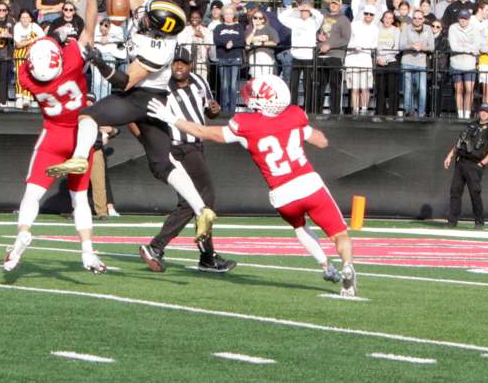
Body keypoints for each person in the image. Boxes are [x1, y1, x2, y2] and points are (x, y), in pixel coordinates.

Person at [48, 0, 218, 243]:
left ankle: (79, 158)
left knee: (88, 115)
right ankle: (202, 211)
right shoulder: (155, 25)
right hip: (152, 100)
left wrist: (101, 65)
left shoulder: (160, 49)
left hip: (143, 98)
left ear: (159, 28)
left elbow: (125, 82)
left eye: (148, 18)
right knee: (163, 164)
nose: (142, 15)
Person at [147, 74, 356, 295]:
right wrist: (302, 132)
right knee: (338, 234)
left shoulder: (246, 124)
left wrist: (171, 119)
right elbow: (322, 141)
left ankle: (325, 265)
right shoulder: (295, 114)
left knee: (299, 226)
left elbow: (203, 131)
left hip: (282, 194)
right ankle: (347, 266)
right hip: (309, 184)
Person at [2, 0, 108, 273]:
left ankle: (23, 232)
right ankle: (87, 252)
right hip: (77, 135)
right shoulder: (71, 62)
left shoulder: (30, 79)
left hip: (52, 135)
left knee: (32, 194)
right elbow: (88, 30)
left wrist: (51, 37)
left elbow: (34, 56)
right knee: (79, 198)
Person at [139, 47, 236, 273]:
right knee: (202, 199)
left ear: (191, 65)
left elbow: (208, 110)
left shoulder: (199, 81)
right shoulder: (162, 86)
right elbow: (141, 117)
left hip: (196, 144)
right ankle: (171, 249)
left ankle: (198, 254)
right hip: (179, 147)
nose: (178, 67)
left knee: (193, 202)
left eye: (183, 63)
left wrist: (214, 110)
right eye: (175, 63)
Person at [444, 102, 488, 229]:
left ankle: (479, 222)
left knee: (475, 193)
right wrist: (450, 155)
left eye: (486, 111)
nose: (483, 113)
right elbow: (460, 142)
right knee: (455, 192)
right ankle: (452, 221)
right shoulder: (472, 125)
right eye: (481, 111)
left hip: (475, 164)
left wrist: (481, 163)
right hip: (461, 162)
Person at [279, 2, 322, 111]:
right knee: (294, 84)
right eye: (302, 11)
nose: (303, 12)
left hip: (308, 57)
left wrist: (310, 8)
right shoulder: (295, 21)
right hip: (296, 56)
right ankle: (293, 108)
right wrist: (295, 8)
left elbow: (320, 16)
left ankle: (307, 108)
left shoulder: (314, 22)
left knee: (308, 84)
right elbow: (281, 17)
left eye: (305, 11)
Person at [345, 3, 380, 115]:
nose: (368, 16)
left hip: (365, 59)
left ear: (374, 16)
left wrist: (364, 47)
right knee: (355, 88)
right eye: (366, 13)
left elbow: (374, 45)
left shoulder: (375, 28)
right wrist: (353, 47)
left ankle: (364, 109)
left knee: (365, 87)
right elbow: (348, 41)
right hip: (353, 58)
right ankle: (355, 110)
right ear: (363, 14)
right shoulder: (354, 24)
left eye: (371, 14)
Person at [400, 11, 434, 117]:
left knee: (422, 89)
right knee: (408, 89)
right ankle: (408, 111)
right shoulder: (407, 28)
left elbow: (432, 47)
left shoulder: (428, 29)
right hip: (407, 62)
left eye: (420, 18)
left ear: (423, 19)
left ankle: (421, 112)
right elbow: (401, 45)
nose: (417, 20)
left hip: (421, 63)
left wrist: (422, 47)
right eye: (415, 18)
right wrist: (412, 46)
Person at [213, 4, 246, 112]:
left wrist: (233, 43)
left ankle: (232, 109)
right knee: (224, 85)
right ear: (223, 15)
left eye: (230, 13)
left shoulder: (239, 27)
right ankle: (224, 109)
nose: (228, 16)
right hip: (223, 57)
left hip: (235, 57)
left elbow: (242, 41)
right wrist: (225, 43)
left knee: (232, 86)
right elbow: (216, 40)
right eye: (226, 14)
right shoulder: (219, 27)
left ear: (234, 15)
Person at [246, 8, 280, 77]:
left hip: (266, 55)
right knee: (255, 78)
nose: (257, 20)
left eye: (260, 18)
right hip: (253, 55)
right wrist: (254, 29)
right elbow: (247, 42)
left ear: (263, 20)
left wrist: (261, 44)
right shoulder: (249, 29)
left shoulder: (269, 29)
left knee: (266, 77)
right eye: (255, 18)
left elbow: (275, 42)